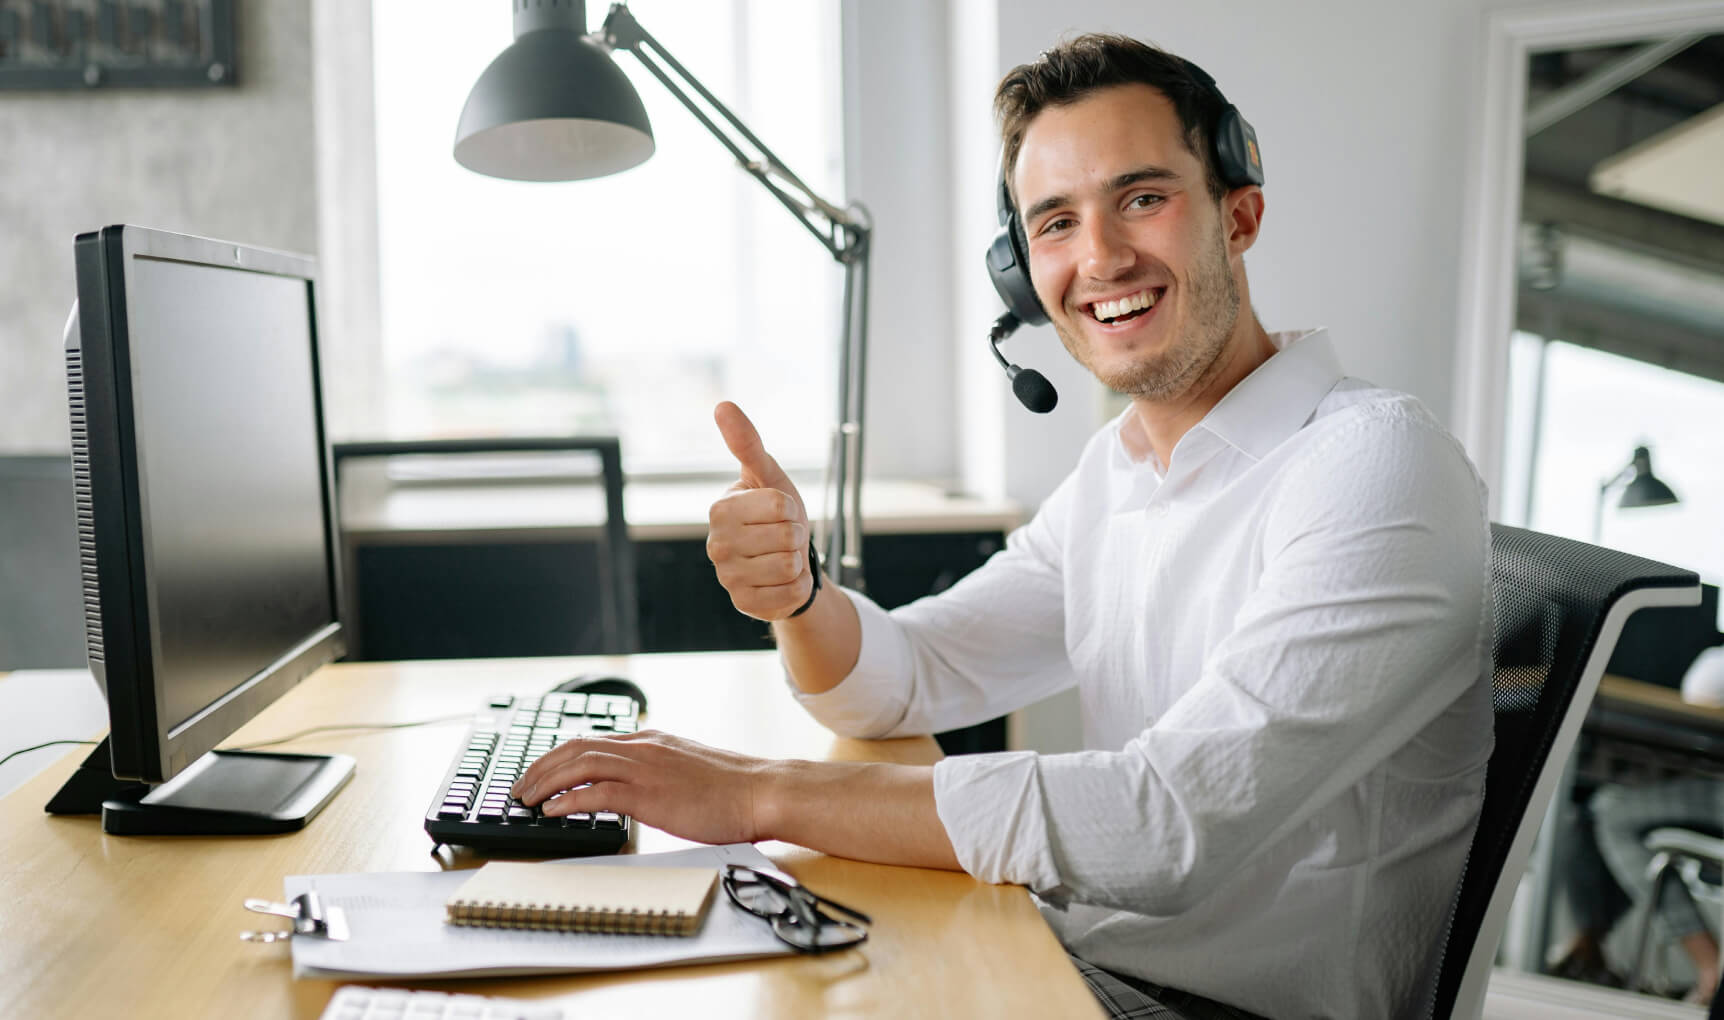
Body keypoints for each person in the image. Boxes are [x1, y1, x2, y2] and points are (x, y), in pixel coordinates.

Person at [514, 33, 1494, 1020]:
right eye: (1055, 222)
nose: (1100, 256)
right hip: (1073, 960)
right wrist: (797, 594)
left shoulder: (1372, 468)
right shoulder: (1119, 472)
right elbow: (905, 678)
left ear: (1237, 216)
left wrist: (755, 796)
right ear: (1022, 273)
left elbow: (1164, 829)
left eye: (1141, 198)